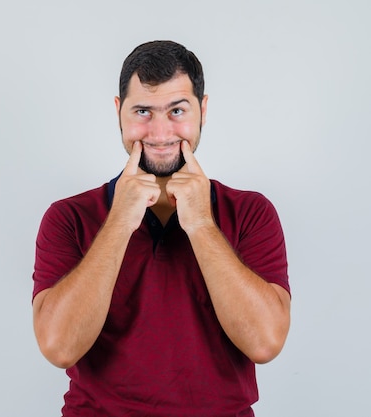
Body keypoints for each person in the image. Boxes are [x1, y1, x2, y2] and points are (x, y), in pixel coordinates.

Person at [31, 40, 291, 417]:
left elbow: (265, 343)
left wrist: (202, 223)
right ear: (119, 112)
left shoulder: (251, 213)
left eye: (176, 110)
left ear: (202, 110)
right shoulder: (68, 217)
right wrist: (120, 221)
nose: (159, 131)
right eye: (143, 111)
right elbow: (58, 348)